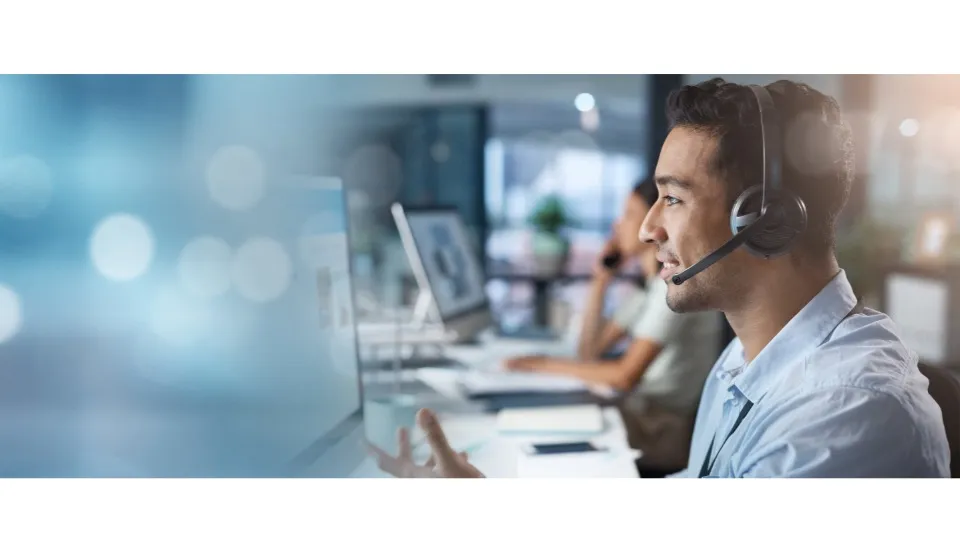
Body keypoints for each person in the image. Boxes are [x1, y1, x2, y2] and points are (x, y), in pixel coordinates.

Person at [368, 78, 952, 478]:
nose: (647, 229)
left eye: (672, 198)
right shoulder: (746, 363)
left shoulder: (846, 414)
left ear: (765, 219)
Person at [501, 179, 721, 475]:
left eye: (630, 214)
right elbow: (589, 352)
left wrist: (541, 364)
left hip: (661, 431)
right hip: (641, 417)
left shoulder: (673, 290)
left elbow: (624, 376)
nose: (620, 225)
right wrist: (601, 281)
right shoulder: (647, 290)